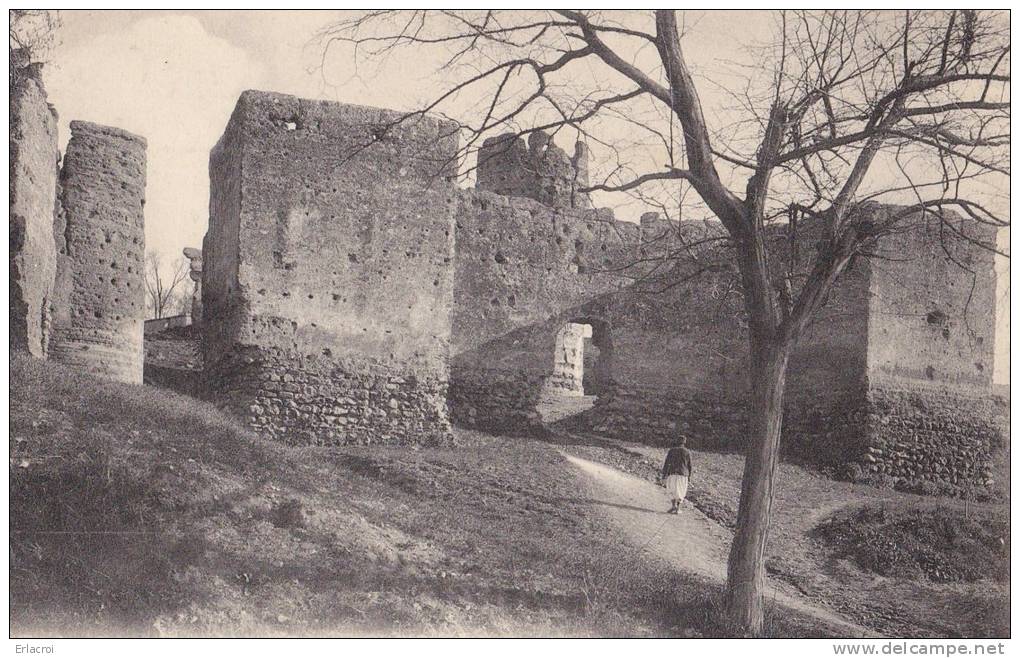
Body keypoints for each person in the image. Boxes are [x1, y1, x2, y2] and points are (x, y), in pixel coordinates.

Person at [660, 436, 693, 514]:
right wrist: (689, 476)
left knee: (672, 490)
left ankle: (673, 506)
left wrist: (664, 475)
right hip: (683, 474)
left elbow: (666, 463)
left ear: (676, 441)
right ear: (684, 443)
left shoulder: (672, 451)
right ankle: (678, 508)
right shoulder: (687, 452)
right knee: (681, 491)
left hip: (672, 473)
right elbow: (690, 466)